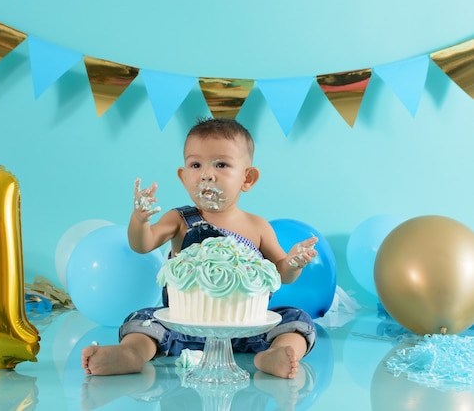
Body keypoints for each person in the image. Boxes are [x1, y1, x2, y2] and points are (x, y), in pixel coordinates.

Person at [82, 117, 318, 379]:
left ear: (247, 178)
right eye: (196, 165)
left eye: (221, 164)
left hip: (246, 327)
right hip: (182, 325)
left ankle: (277, 354)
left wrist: (294, 262)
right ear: (184, 177)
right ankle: (132, 353)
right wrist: (140, 220)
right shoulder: (180, 220)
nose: (207, 174)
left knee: (296, 320)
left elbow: (281, 274)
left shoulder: (257, 226)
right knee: (142, 321)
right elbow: (143, 244)